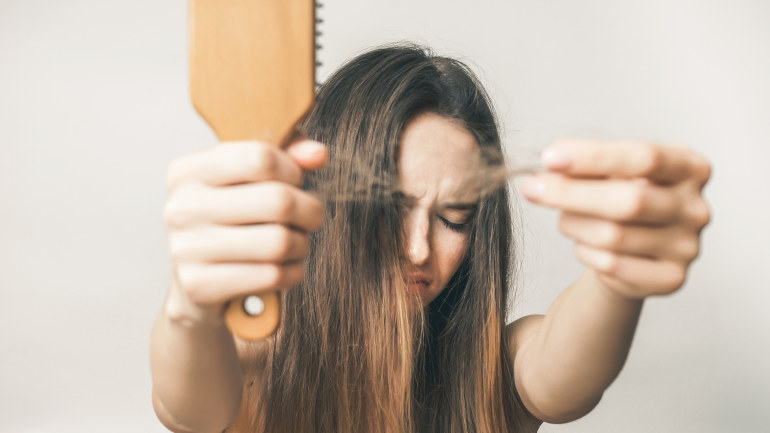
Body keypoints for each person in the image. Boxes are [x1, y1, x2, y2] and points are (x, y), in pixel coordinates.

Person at [151, 44, 711, 433]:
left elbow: (562, 374)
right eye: (391, 208)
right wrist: (190, 309)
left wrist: (618, 278)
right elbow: (187, 408)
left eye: (454, 219)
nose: (418, 249)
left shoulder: (495, 371)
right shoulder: (245, 361)